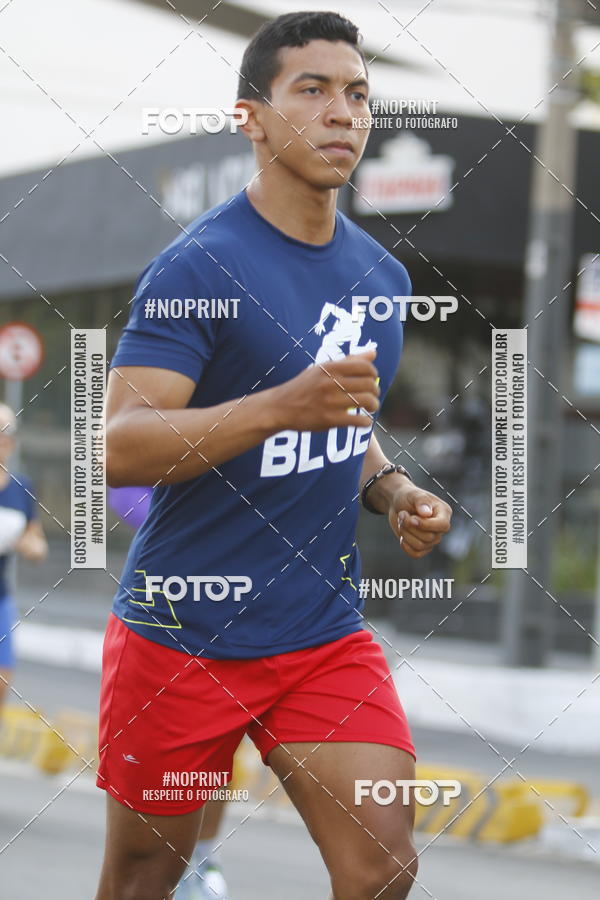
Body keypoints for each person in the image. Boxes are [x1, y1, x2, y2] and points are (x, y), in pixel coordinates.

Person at [95, 11, 453, 900]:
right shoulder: (198, 268)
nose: (343, 112)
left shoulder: (382, 278)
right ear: (250, 117)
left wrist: (390, 487)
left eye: (358, 94)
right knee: (143, 878)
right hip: (182, 633)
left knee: (382, 867)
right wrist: (279, 406)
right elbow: (119, 447)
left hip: (320, 630)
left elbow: (346, 422)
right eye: (313, 89)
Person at [108, 485, 230, 899]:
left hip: (244, 610)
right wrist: (199, 523)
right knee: (158, 756)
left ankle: (202, 858)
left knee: (221, 749)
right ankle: (151, 864)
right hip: (167, 610)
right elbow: (122, 490)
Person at [0, 404, 48, 713]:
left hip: (1, 596)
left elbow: (37, 542)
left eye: (8, 432)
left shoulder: (21, 488)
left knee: (3, 678)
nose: (3, 439)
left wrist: (29, 545)